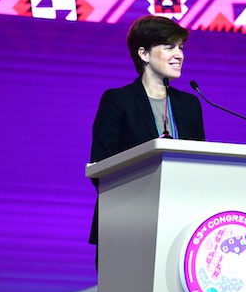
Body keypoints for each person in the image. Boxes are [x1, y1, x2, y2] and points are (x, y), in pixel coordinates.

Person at [88, 15, 205, 248]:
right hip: (126, 222)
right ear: (143, 54)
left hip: (180, 225)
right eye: (169, 47)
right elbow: (101, 166)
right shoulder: (118, 101)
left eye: (181, 47)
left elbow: (200, 165)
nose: (179, 55)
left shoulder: (189, 104)